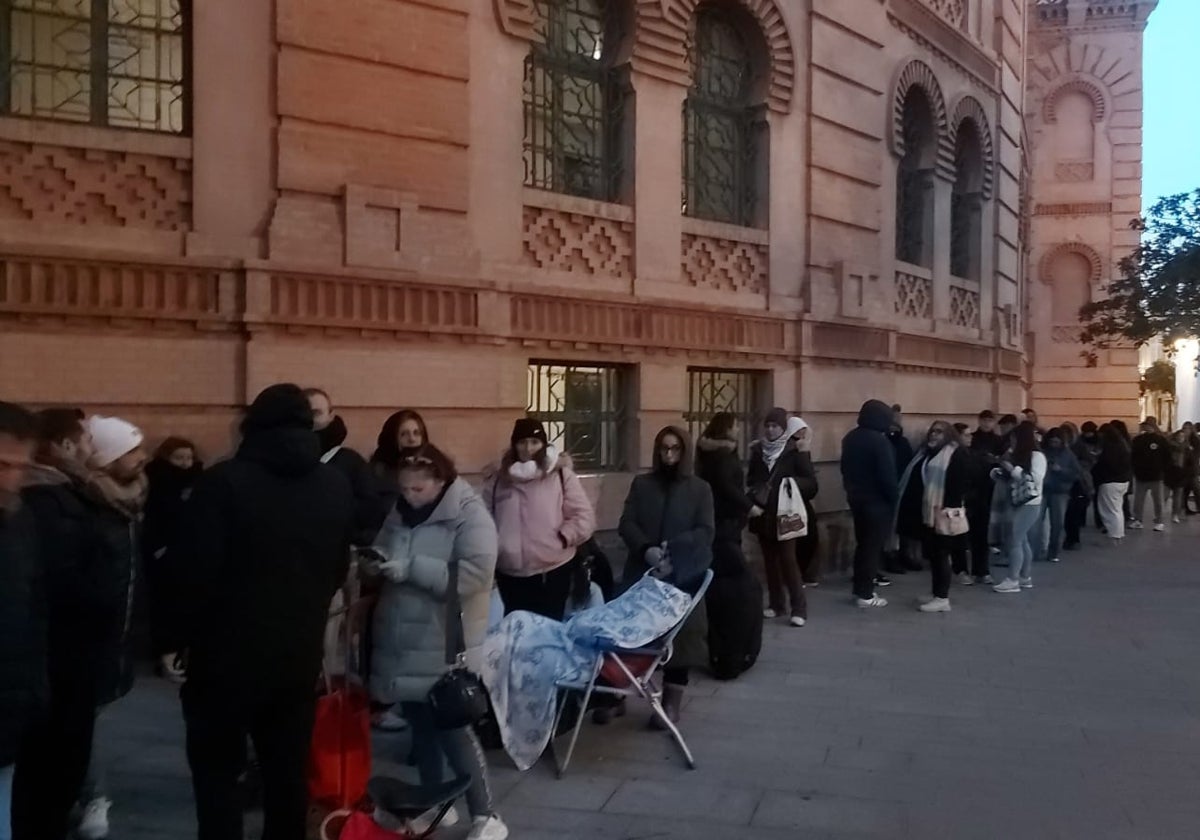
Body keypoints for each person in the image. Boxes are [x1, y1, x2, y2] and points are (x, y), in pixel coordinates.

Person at [170, 384, 354, 840]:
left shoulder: (223, 483)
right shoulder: (333, 484)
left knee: (217, 776)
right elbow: (337, 567)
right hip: (297, 655)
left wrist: (175, 641)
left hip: (223, 660)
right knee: (286, 774)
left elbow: (192, 573)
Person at [15, 412, 147, 840]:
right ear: (66, 447)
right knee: (50, 773)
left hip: (81, 655)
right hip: (63, 658)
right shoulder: (57, 501)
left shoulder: (86, 498)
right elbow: (68, 584)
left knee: (58, 768)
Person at [368, 444, 507, 840]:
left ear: (440, 482)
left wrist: (410, 569)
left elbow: (474, 577)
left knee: (453, 726)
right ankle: (432, 804)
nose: (409, 497)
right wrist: (376, 561)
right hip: (404, 635)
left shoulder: (470, 516)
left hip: (446, 637)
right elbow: (386, 544)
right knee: (421, 725)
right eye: (404, 489)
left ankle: (486, 815)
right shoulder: (400, 512)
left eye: (417, 490)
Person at [618, 427, 714, 723]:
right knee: (628, 633)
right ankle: (616, 694)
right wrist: (645, 548)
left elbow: (705, 531)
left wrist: (675, 551)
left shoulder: (699, 489)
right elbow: (627, 522)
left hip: (681, 576)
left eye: (674, 449)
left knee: (681, 637)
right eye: (664, 449)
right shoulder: (642, 484)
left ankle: (671, 702)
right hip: (643, 572)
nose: (669, 455)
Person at [482, 418, 596, 621]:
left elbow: (584, 517)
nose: (528, 448)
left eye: (534, 442)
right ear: (514, 445)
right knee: (517, 637)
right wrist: (496, 547)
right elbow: (483, 520)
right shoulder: (499, 479)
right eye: (522, 442)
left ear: (543, 445)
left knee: (547, 637)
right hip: (510, 576)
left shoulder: (560, 476)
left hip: (551, 573)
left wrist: (561, 538)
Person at [0, 403, 40, 840]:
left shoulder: (21, 522)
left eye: (20, 467)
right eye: (1, 465)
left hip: (9, 712)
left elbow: (34, 609)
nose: (11, 479)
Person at [746, 410, 815, 627]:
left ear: (784, 428)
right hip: (764, 513)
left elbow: (811, 485)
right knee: (770, 562)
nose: (770, 430)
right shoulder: (758, 451)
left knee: (788, 560)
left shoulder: (796, 451)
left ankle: (799, 608)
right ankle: (777, 604)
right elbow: (752, 479)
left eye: (775, 426)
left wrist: (790, 483)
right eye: (767, 425)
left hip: (786, 513)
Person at [142, 437, 203, 683]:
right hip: (166, 554)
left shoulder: (200, 481)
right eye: (179, 458)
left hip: (189, 554)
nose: (185, 463)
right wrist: (160, 549)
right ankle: (168, 657)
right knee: (167, 607)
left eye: (189, 458)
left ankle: (181, 656)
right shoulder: (157, 481)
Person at [899, 422, 971, 612]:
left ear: (948, 434)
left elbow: (959, 484)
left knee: (941, 555)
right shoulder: (927, 453)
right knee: (933, 555)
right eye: (932, 431)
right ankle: (936, 592)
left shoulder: (955, 454)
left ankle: (942, 598)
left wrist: (945, 506)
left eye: (939, 432)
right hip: (928, 513)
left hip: (943, 512)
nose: (934, 435)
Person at [305, 387, 385, 544]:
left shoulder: (352, 462)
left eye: (317, 413)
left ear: (331, 416)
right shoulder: (287, 460)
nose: (312, 420)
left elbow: (371, 512)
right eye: (306, 414)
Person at [840, 400, 898, 608]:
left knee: (863, 544)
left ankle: (860, 586)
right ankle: (865, 593)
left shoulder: (850, 438)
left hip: (857, 499)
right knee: (872, 548)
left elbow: (845, 469)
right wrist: (894, 498)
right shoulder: (879, 441)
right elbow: (887, 476)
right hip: (878, 503)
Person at [695, 412, 753, 577]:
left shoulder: (712, 452)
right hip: (725, 517)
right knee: (731, 565)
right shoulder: (722, 454)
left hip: (718, 514)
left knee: (719, 563)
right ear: (726, 429)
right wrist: (749, 506)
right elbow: (726, 485)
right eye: (735, 425)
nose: (738, 429)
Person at [992, 422, 1045, 594]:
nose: (1012, 442)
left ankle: (1013, 579)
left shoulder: (1037, 457)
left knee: (1015, 539)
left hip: (1029, 503)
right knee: (1022, 540)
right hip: (1017, 501)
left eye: (1014, 439)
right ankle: (1024, 576)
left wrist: (1013, 469)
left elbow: (1034, 479)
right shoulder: (1017, 454)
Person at [1041, 428, 1082, 563]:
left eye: (1056, 440)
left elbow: (1076, 473)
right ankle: (1039, 549)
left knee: (1057, 523)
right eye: (1052, 440)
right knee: (1037, 522)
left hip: (1060, 491)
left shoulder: (1068, 454)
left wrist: (1061, 470)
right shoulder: (1043, 452)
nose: (1054, 442)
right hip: (1044, 490)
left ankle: (1053, 552)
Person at [370, 409, 430, 490]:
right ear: (392, 438)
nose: (412, 439)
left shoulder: (433, 470)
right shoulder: (378, 473)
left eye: (416, 433)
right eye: (404, 434)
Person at [1130, 417, 1170, 532]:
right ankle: (1138, 520)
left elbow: (1167, 457)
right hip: (1141, 475)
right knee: (1138, 500)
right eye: (1145, 425)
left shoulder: (1161, 440)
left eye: (1148, 425)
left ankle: (1159, 521)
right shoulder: (1138, 440)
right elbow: (1133, 456)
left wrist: (1163, 470)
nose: (1146, 427)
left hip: (1156, 475)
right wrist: (1135, 469)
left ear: (1153, 426)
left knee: (1158, 500)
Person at [1093, 424, 1132, 542]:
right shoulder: (1122, 445)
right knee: (1117, 508)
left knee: (1109, 510)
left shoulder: (1109, 447)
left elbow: (1108, 464)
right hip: (1123, 480)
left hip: (1110, 481)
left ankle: (1114, 535)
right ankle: (1118, 534)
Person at [1060, 422, 1095, 550]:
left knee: (1072, 513)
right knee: (1067, 514)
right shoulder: (1062, 446)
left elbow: (1088, 462)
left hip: (1077, 483)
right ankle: (1070, 539)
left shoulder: (1078, 446)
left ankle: (1073, 539)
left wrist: (1075, 467)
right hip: (1064, 483)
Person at [1166, 429, 1196, 524]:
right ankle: (1160, 514)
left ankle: (1175, 515)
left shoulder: (1188, 449)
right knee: (1164, 496)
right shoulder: (1169, 447)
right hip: (1169, 474)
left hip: (1181, 475)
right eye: (1179, 436)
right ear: (1175, 436)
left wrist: (1187, 473)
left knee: (1178, 497)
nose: (1180, 438)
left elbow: (1191, 463)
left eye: (1182, 436)